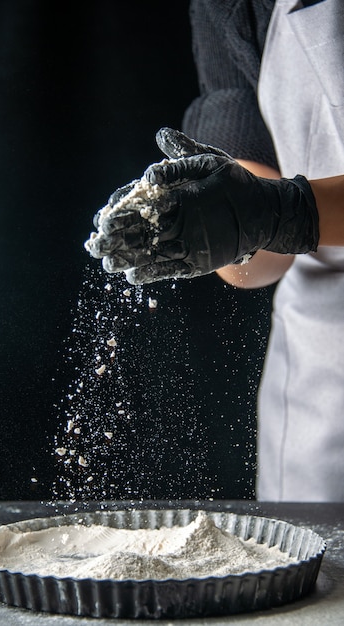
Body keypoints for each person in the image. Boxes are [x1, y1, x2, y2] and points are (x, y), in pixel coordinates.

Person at [85, 0, 344, 502]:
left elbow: (284, 210)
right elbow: (256, 265)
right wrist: (229, 222)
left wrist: (288, 212)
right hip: (327, 386)